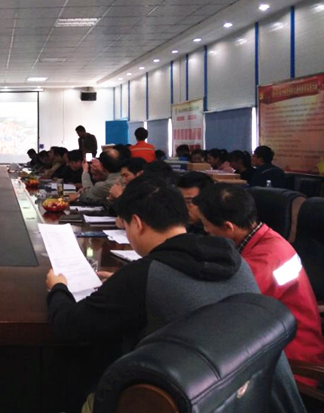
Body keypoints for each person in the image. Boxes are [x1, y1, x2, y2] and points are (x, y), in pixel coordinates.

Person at [46, 176, 305, 413]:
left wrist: (58, 287)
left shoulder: (143, 274)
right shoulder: (235, 260)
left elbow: (67, 326)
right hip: (258, 399)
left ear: (137, 223)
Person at [194, 184, 324, 384]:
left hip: (293, 364)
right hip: (276, 341)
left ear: (228, 227)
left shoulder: (265, 260)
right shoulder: (265, 238)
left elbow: (228, 307)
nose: (205, 231)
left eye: (206, 226)